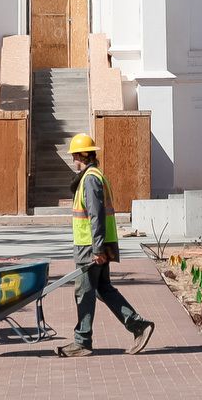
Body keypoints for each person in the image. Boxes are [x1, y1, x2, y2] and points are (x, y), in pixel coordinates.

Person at [54, 133, 157, 356]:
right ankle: (138, 325)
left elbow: (96, 216)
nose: (73, 160)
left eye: (75, 156)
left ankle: (82, 341)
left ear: (84, 155)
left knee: (84, 292)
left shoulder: (90, 179)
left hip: (90, 248)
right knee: (103, 289)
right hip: (96, 245)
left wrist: (98, 249)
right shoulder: (95, 176)